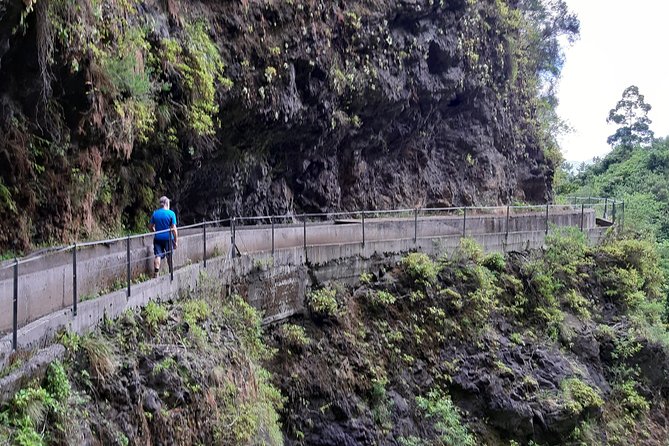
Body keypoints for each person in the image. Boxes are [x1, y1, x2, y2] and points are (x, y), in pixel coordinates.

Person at [149, 196, 178, 276]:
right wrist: (175, 241)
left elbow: (150, 227)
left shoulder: (155, 213)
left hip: (158, 238)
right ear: (167, 203)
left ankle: (156, 273)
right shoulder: (171, 214)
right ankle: (171, 272)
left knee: (157, 255)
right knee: (169, 256)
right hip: (168, 238)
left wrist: (155, 231)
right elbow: (174, 230)